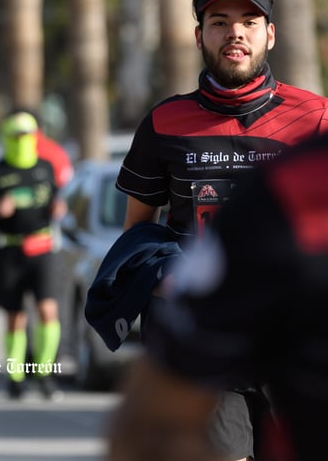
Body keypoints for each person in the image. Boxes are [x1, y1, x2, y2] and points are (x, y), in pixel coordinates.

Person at [108, 0, 328, 460]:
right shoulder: (164, 122)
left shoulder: (316, 118)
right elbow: (136, 233)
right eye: (220, 23)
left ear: (270, 34)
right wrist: (158, 279)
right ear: (199, 35)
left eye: (249, 22)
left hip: (297, 345)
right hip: (207, 338)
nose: (235, 34)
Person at [108, 131, 328, 461]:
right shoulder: (283, 191)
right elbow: (148, 421)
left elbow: (141, 428)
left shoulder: (294, 166)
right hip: (229, 362)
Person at [0, 109, 66, 400]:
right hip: (10, 249)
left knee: (48, 310)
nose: (22, 140)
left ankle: (45, 374)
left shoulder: (45, 168)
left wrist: (57, 209)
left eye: (27, 135)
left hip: (42, 247)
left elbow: (55, 198)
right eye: (16, 135)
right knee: (15, 316)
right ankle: (15, 376)